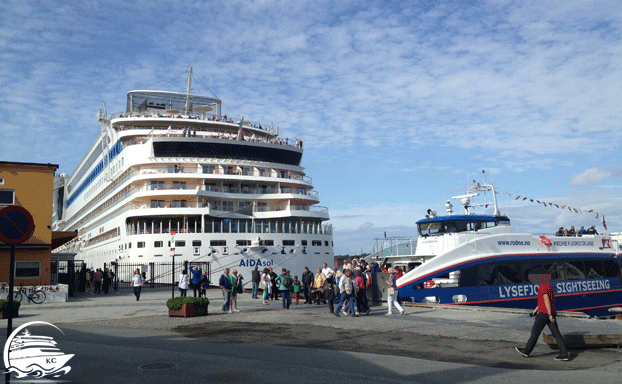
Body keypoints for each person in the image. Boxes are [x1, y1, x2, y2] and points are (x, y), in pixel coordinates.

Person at [515, 267, 569, 361]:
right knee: (556, 334)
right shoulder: (549, 285)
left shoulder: (543, 286)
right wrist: (536, 309)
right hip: (550, 312)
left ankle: (526, 351)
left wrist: (549, 315)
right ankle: (564, 354)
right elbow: (543, 301)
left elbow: (546, 301)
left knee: (535, 333)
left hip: (544, 314)